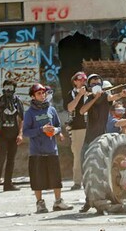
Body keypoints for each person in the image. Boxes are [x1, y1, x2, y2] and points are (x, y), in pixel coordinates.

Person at [79, 73, 126, 213]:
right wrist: (94, 98)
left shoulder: (106, 97)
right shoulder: (89, 98)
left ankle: (104, 198)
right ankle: (89, 200)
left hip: (101, 140)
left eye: (98, 83)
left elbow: (114, 97)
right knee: (85, 172)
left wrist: (122, 94)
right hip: (89, 139)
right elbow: (82, 111)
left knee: (102, 172)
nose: (96, 85)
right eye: (93, 83)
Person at [22, 83, 73, 213]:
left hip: (51, 150)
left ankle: (58, 202)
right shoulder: (29, 113)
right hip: (37, 152)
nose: (42, 95)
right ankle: (40, 203)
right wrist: (41, 130)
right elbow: (26, 132)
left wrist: (55, 130)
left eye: (43, 93)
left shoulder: (52, 110)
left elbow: (58, 126)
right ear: (33, 96)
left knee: (56, 178)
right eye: (39, 93)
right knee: (37, 179)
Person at [0, 79, 24, 192]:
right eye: (6, 87)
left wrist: (20, 134)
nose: (8, 90)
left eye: (10, 88)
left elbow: (21, 119)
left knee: (11, 160)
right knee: (0, 160)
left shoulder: (17, 101)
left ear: (14, 89)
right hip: (1, 135)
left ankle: (8, 184)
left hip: (14, 135)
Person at [63, 71, 87, 190]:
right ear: (75, 81)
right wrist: (79, 95)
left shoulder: (90, 93)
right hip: (78, 127)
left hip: (90, 126)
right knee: (78, 155)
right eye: (80, 79)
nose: (83, 81)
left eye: (84, 79)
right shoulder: (71, 94)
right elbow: (70, 108)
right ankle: (77, 181)